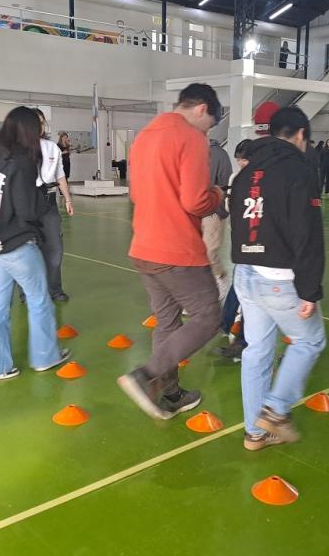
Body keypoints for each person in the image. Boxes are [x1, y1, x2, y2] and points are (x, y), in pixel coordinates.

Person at [117, 83, 225, 421]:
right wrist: (219, 196)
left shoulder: (145, 136)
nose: (208, 131)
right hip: (176, 249)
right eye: (210, 124)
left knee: (167, 323)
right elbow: (195, 200)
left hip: (144, 247)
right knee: (208, 317)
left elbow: (135, 194)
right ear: (202, 109)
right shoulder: (191, 137)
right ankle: (146, 375)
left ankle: (171, 392)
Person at [229, 106, 326, 451]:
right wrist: (310, 290)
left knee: (257, 351)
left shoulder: (246, 172)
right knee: (309, 341)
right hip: (279, 277)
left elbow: (238, 222)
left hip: (245, 274)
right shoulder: (297, 169)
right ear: (300, 135)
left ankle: (255, 433)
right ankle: (276, 410)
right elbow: (307, 233)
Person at [0, 107, 70, 384]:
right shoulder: (23, 161)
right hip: (16, 243)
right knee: (39, 299)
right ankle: (45, 357)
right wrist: (42, 199)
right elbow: (27, 210)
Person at [27, 109, 74, 302]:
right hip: (28, 202)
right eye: (35, 122)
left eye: (42, 122)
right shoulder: (21, 148)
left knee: (54, 248)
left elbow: (60, 175)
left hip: (49, 202)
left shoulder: (52, 148)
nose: (40, 126)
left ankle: (55, 289)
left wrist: (68, 199)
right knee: (29, 248)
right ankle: (27, 291)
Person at [217, 138, 253, 363]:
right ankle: (240, 338)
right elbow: (230, 206)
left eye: (244, 160)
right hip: (246, 240)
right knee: (246, 290)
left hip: (245, 239)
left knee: (241, 284)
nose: (241, 164)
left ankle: (229, 325)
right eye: (239, 161)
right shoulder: (242, 179)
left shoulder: (239, 178)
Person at [203, 138, 233, 300]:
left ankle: (220, 278)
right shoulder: (190, 152)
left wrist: (219, 212)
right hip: (193, 213)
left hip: (212, 214)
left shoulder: (219, 155)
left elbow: (225, 184)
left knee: (209, 252)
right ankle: (196, 293)